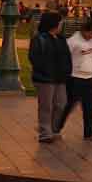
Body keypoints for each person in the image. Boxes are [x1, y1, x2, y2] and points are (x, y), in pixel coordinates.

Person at [59, 17, 92, 140]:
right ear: (84, 30)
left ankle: (90, 132)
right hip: (75, 78)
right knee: (68, 105)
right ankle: (55, 128)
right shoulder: (73, 41)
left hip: (90, 77)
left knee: (89, 106)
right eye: (91, 33)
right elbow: (63, 56)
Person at [28, 11, 71, 143]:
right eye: (59, 23)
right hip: (45, 78)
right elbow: (34, 57)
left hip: (60, 78)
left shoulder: (61, 39)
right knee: (46, 105)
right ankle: (45, 132)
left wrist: (67, 71)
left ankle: (53, 129)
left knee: (61, 104)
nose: (61, 25)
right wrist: (45, 70)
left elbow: (67, 56)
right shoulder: (40, 39)